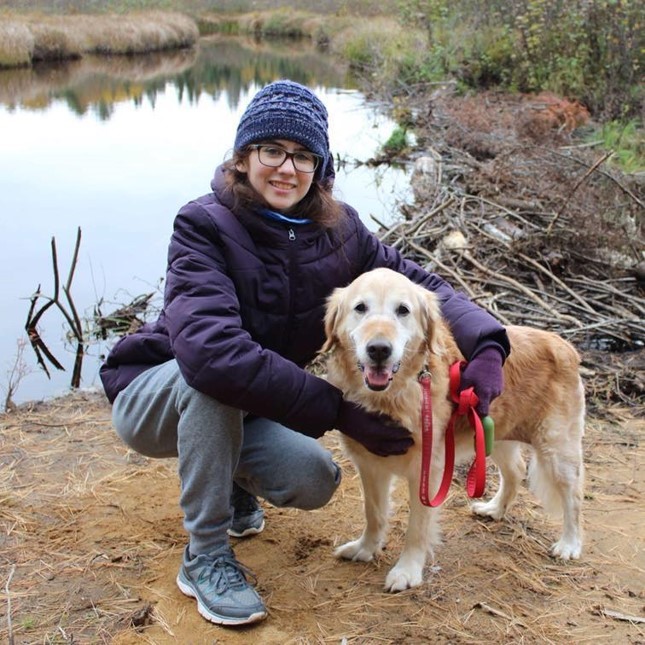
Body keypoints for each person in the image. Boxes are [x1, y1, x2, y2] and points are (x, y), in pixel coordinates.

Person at [99, 79, 510, 627]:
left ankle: (234, 483)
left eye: (303, 156)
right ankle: (205, 554)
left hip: (249, 403)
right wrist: (337, 409)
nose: (286, 169)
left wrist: (487, 344)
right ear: (244, 157)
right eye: (272, 150)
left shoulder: (340, 231)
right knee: (213, 381)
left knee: (313, 479)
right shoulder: (202, 225)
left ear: (321, 167)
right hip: (161, 393)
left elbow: (418, 285)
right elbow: (211, 356)